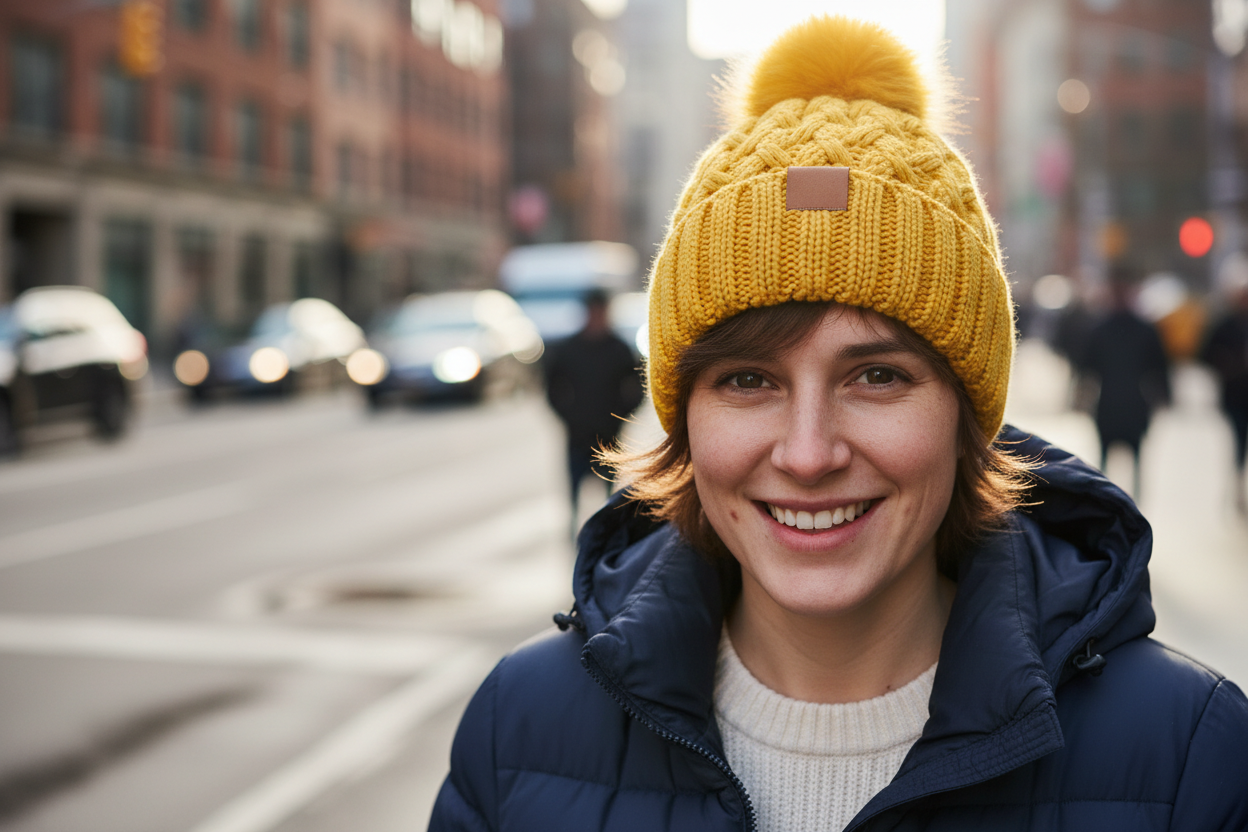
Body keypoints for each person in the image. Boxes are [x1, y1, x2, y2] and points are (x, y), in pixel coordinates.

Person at [430, 17, 1248, 832]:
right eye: (748, 379)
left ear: (967, 413)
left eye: (879, 377)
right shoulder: (517, 734)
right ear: (683, 417)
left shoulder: (1188, 757)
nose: (810, 453)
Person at [542, 288, 644, 526]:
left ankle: (606, 539)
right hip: (577, 436)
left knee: (610, 498)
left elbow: (637, 386)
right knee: (574, 497)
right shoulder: (569, 349)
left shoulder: (618, 348)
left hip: (609, 435)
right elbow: (552, 388)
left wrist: (620, 416)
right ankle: (575, 540)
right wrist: (569, 416)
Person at [1080, 266, 1171, 498]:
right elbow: (1087, 368)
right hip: (1111, 404)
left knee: (1136, 457)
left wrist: (1164, 396)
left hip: (1131, 404)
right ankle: (1107, 500)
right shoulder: (1101, 329)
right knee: (1105, 458)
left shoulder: (1142, 330)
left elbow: (1159, 367)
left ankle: (1132, 504)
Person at [1200, 274, 1248, 513]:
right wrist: (1225, 364)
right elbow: (1205, 353)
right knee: (1238, 442)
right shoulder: (1226, 325)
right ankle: (1237, 486)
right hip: (1236, 396)